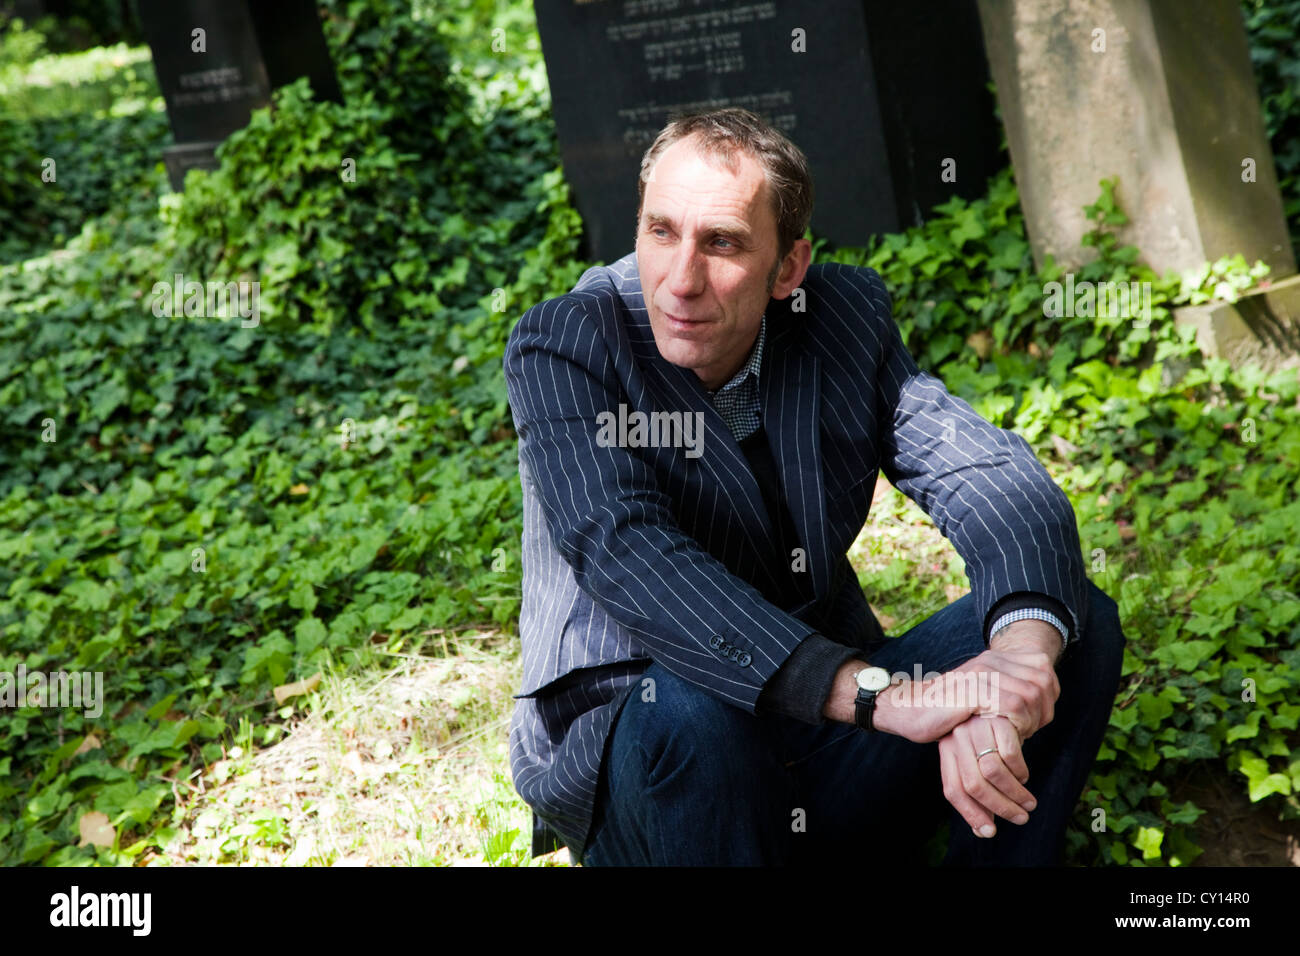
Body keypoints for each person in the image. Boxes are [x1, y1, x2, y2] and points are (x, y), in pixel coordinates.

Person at [502, 107, 1125, 866]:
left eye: (722, 243)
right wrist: (886, 698)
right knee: (695, 709)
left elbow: (990, 479)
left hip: (828, 747)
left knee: (1069, 620)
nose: (681, 279)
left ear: (788, 269)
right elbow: (628, 552)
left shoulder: (839, 318)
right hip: (662, 772)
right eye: (660, 231)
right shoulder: (568, 345)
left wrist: (1012, 674)